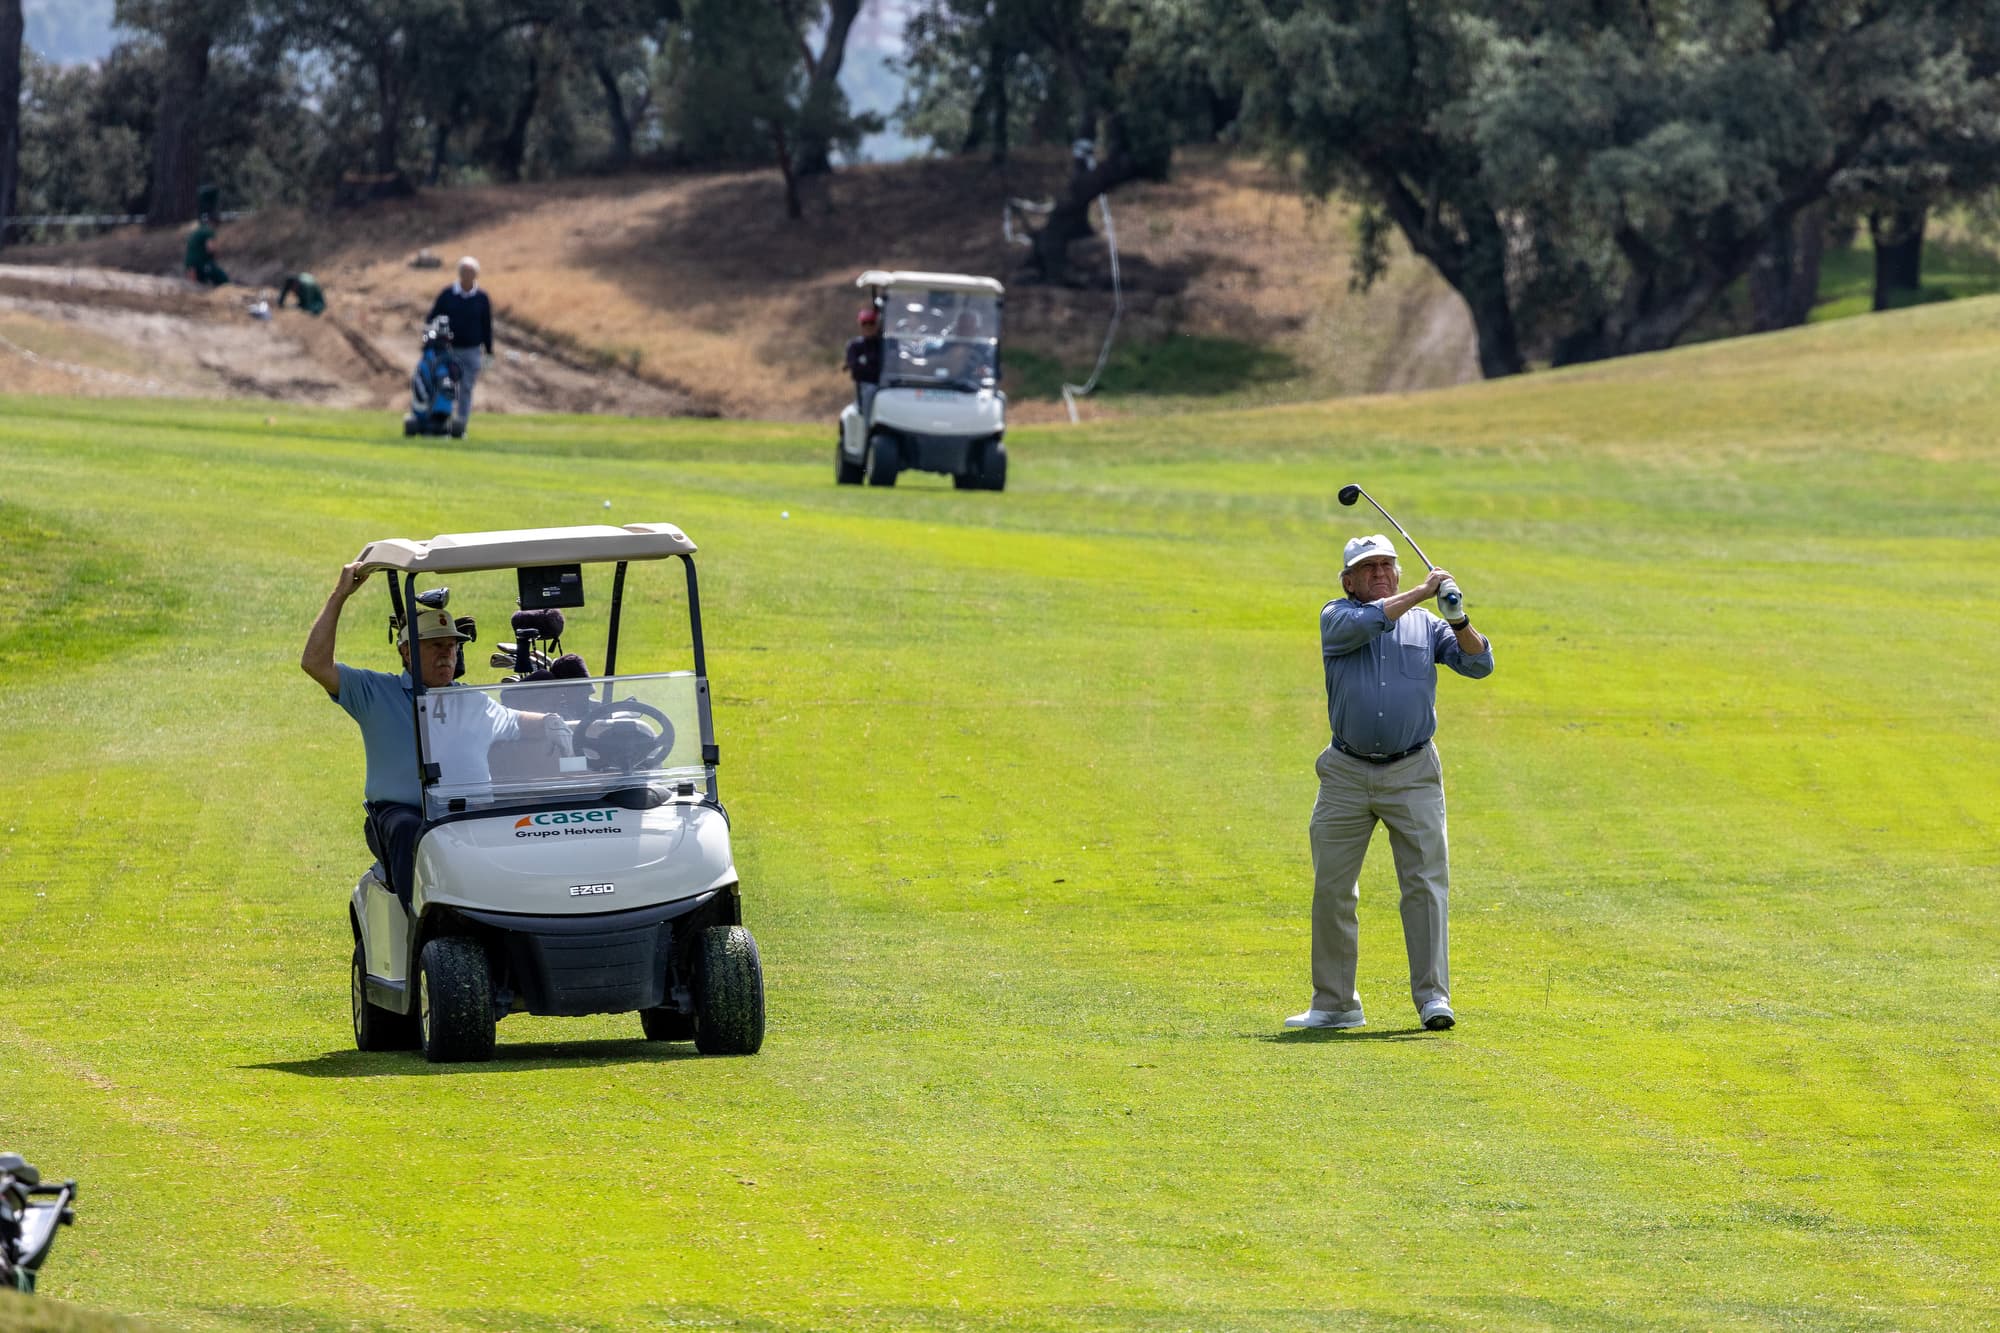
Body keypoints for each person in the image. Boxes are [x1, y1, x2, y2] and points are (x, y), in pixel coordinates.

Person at [1286, 534, 1494, 1033]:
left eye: (1386, 565)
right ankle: (1336, 1004)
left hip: (1413, 772)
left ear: (1398, 572)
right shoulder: (1336, 616)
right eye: (1368, 567)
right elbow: (1372, 620)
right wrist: (1424, 593)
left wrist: (1458, 616)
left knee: (1424, 886)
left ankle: (1433, 999)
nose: (1379, 572)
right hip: (1346, 773)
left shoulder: (1427, 626)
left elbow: (1479, 663)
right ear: (1348, 580)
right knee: (1333, 889)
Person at [301, 562, 569, 903]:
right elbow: (315, 663)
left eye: (451, 645)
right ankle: (420, 924)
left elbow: (514, 720)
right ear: (407, 652)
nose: (447, 653)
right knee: (407, 830)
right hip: (403, 815)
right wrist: (339, 596)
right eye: (434, 645)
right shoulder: (374, 692)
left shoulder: (472, 701)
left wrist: (551, 721)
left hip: (468, 815)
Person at [426, 256, 493, 435]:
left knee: (466, 388)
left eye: (471, 272)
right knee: (445, 387)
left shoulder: (481, 298)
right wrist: (433, 340)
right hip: (448, 350)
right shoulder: (448, 295)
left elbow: (487, 326)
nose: (467, 275)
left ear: (475, 275)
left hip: (472, 350)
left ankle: (460, 426)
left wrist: (489, 351)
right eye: (464, 272)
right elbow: (431, 318)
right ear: (459, 273)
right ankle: (440, 423)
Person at [844, 305, 883, 420]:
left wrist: (867, 367)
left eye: (871, 323)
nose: (868, 327)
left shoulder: (885, 345)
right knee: (870, 390)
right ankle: (867, 431)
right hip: (865, 387)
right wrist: (875, 371)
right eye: (864, 323)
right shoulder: (854, 346)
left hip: (885, 385)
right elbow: (856, 370)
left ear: (877, 325)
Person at [184, 215, 228, 286]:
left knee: (194, 285)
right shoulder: (209, 231)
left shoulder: (198, 230)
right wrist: (216, 254)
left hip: (190, 263)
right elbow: (210, 247)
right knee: (222, 278)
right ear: (214, 223)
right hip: (201, 263)